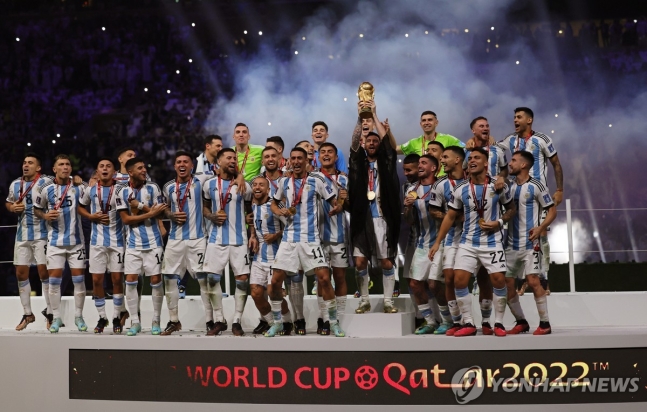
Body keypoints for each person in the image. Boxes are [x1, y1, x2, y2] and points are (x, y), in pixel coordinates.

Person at [429, 147, 517, 337]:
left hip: (492, 242)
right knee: (459, 281)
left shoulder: (498, 185)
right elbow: (450, 216)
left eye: (477, 158)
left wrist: (499, 222)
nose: (472, 161)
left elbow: (511, 209)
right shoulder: (461, 189)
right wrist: (437, 242)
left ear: (486, 163)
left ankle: (498, 323)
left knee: (498, 280)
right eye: (470, 158)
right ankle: (468, 322)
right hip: (467, 242)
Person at [266, 147, 345, 337]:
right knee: (275, 282)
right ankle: (278, 322)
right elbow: (274, 203)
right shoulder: (284, 181)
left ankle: (333, 322)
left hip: (311, 239)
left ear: (306, 161)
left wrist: (338, 207)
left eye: (299, 158)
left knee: (324, 279)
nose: (296, 161)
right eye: (293, 158)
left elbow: (334, 202)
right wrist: (279, 211)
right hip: (289, 239)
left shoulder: (317, 180)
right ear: (289, 161)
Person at [499, 107, 564, 294]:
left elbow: (556, 164)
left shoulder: (542, 139)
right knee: (515, 235)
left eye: (519, 117)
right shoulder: (510, 139)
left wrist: (559, 190)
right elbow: (493, 149)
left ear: (529, 120)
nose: (515, 120)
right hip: (516, 194)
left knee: (540, 235)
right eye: (514, 117)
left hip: (538, 196)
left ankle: (543, 279)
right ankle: (523, 279)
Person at [348, 100, 401, 314]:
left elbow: (388, 142)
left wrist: (375, 115)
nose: (371, 143)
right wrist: (361, 117)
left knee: (386, 262)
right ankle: (364, 301)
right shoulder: (357, 163)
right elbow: (354, 142)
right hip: (362, 218)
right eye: (368, 140)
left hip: (383, 218)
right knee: (360, 262)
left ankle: (388, 301)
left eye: (375, 140)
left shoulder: (386, 162)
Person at [203, 148, 256, 336]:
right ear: (219, 161)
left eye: (235, 158)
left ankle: (237, 321)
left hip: (239, 240)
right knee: (212, 279)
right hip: (216, 239)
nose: (233, 160)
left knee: (242, 280)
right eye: (229, 158)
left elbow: (250, 212)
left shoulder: (244, 185)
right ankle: (219, 320)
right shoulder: (209, 184)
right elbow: (205, 207)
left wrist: (252, 234)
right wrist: (211, 216)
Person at [160, 151, 214, 335]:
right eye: (178, 162)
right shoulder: (168, 187)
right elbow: (164, 208)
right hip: (174, 240)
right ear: (174, 166)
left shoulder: (202, 181)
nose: (182, 165)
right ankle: (174, 320)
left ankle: (210, 320)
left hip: (197, 239)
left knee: (204, 281)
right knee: (169, 279)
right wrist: (170, 215)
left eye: (185, 162)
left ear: (192, 165)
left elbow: (223, 173)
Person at [34, 154, 88, 333]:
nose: (65, 167)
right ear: (54, 169)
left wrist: (83, 181)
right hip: (55, 242)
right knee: (54, 281)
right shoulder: (46, 189)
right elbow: (37, 209)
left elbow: (94, 193)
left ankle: (79, 316)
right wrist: (45, 215)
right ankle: (56, 317)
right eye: (61, 164)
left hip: (76, 242)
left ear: (71, 168)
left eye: (67, 164)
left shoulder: (79, 187)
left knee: (78, 280)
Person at [504, 151, 556, 335]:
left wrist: (541, 228)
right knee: (507, 283)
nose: (510, 163)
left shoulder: (536, 185)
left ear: (523, 165)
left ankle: (545, 324)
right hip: (510, 244)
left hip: (530, 244)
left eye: (514, 160)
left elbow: (552, 210)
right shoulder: (509, 186)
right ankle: (521, 322)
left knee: (533, 281)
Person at [115, 157, 168, 336]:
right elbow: (126, 219)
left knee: (156, 281)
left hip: (154, 243)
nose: (144, 170)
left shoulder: (153, 187)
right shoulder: (122, 191)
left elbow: (160, 212)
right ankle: (135, 322)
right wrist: (150, 212)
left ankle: (156, 320)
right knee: (130, 281)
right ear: (130, 172)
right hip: (133, 244)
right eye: (140, 168)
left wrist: (140, 206)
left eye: (144, 167)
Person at [77, 158, 128, 334]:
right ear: (97, 172)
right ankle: (102, 317)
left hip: (117, 242)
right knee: (97, 280)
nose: (105, 169)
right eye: (101, 166)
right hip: (96, 242)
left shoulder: (121, 190)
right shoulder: (90, 189)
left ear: (114, 172)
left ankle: (116, 316)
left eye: (108, 166)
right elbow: (80, 207)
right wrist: (90, 216)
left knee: (117, 280)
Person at [6, 153, 54, 330]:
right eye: (24, 162)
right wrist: (12, 207)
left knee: (44, 272)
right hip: (22, 235)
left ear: (38, 168)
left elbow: (65, 182)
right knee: (20, 273)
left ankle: (50, 312)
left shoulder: (47, 182)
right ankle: (28, 314)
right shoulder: (15, 184)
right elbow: (8, 202)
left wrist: (78, 180)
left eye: (30, 163)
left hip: (42, 234)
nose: (26, 165)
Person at [404, 155, 447, 334]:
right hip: (422, 243)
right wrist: (408, 207)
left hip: (442, 243)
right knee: (415, 284)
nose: (419, 165)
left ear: (434, 168)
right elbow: (409, 221)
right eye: (419, 163)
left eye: (424, 163)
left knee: (434, 284)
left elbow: (452, 215)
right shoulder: (411, 189)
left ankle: (448, 321)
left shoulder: (443, 186)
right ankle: (430, 322)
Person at [429, 146, 467, 336]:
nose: (441, 160)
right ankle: (455, 321)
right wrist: (451, 217)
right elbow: (433, 210)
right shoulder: (440, 184)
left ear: (457, 160)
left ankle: (485, 321)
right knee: (444, 281)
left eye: (445, 157)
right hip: (450, 238)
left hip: (475, 238)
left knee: (484, 280)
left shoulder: (473, 180)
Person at [248, 175, 292, 335]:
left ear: (268, 190)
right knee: (256, 293)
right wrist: (253, 235)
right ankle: (273, 323)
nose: (257, 187)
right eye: (255, 185)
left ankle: (287, 321)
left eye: (261, 185)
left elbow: (292, 226)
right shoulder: (252, 206)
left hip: (276, 256)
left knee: (274, 293)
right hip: (259, 256)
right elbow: (254, 223)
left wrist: (276, 235)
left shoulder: (275, 205)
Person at [315, 142, 349, 333]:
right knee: (322, 279)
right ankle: (325, 318)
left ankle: (340, 317)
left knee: (340, 276)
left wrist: (346, 200)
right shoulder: (312, 178)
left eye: (330, 152)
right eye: (323, 152)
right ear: (318, 157)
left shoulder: (344, 179)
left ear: (336, 157)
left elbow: (352, 206)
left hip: (339, 234)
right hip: (317, 236)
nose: (326, 155)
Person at [397, 111, 464, 176]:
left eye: (430, 120)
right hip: (424, 180)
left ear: (436, 123)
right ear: (420, 124)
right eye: (424, 120)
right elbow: (395, 150)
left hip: (444, 179)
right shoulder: (414, 142)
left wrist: (463, 170)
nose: (426, 123)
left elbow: (466, 150)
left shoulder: (448, 139)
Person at [400, 153, 421, 325]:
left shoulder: (436, 185)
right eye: (404, 170)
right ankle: (420, 316)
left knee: (429, 282)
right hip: (413, 239)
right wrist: (408, 208)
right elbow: (408, 219)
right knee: (410, 278)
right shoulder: (406, 187)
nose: (406, 173)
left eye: (409, 170)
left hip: (432, 241)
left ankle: (439, 317)